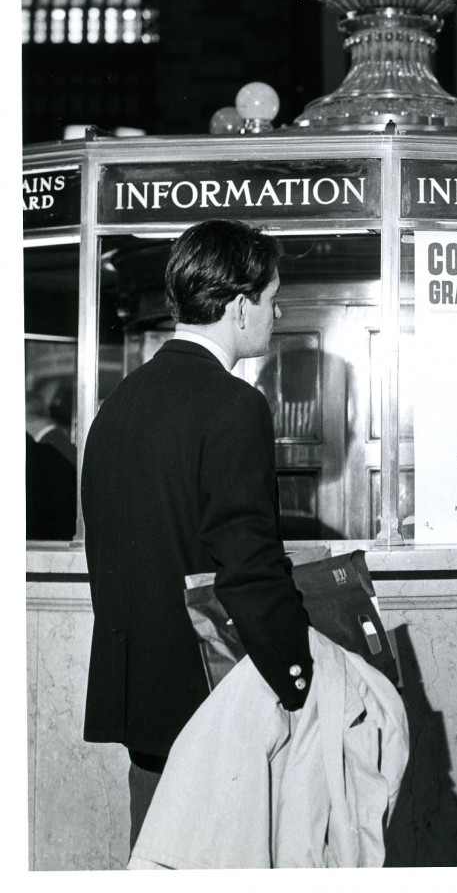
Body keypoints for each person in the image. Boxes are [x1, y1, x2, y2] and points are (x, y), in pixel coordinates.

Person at [81, 218, 313, 851]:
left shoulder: (119, 405)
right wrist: (299, 678)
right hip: (210, 708)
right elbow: (250, 565)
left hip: (142, 705)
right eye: (270, 299)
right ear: (239, 307)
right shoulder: (233, 405)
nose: (277, 312)